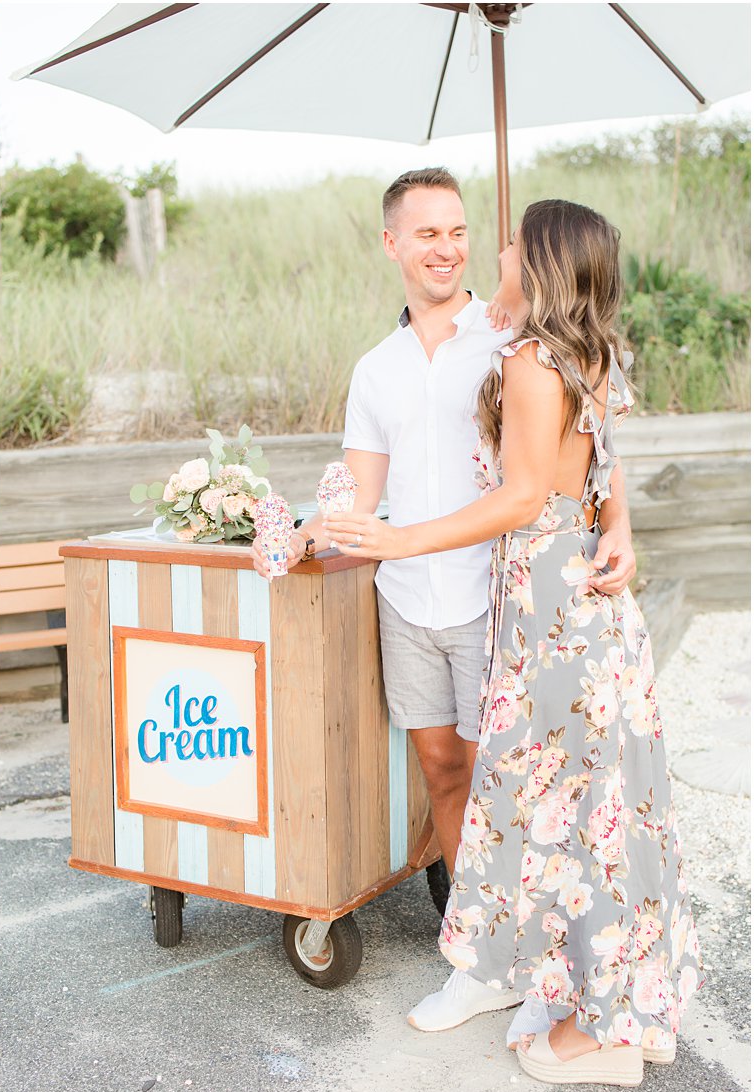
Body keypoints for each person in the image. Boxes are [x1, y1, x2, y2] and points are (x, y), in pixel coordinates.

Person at [324, 198, 702, 1086]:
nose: (487, 244)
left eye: (506, 237)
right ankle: (621, 1005)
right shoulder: (590, 352)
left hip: (547, 603)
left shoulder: (530, 360)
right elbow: (599, 464)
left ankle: (597, 1030)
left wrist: (401, 537)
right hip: (585, 604)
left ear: (535, 261)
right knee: (611, 806)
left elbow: (526, 496)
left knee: (574, 810)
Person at [256, 169, 638, 1036]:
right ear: (392, 243)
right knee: (444, 773)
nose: (447, 248)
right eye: (427, 233)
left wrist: (620, 521)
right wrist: (293, 532)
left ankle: (509, 957)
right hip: (406, 600)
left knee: (511, 787)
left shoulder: (509, 332)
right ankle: (481, 958)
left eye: (460, 231)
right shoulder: (374, 370)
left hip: (496, 601)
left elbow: (591, 437)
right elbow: (358, 492)